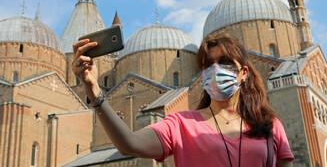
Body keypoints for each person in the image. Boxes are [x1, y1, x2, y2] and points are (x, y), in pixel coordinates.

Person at [72, 34, 294, 167]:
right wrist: (94, 91)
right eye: (208, 64)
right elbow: (129, 144)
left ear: (243, 72)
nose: (216, 69)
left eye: (224, 61)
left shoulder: (270, 126)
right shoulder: (180, 124)